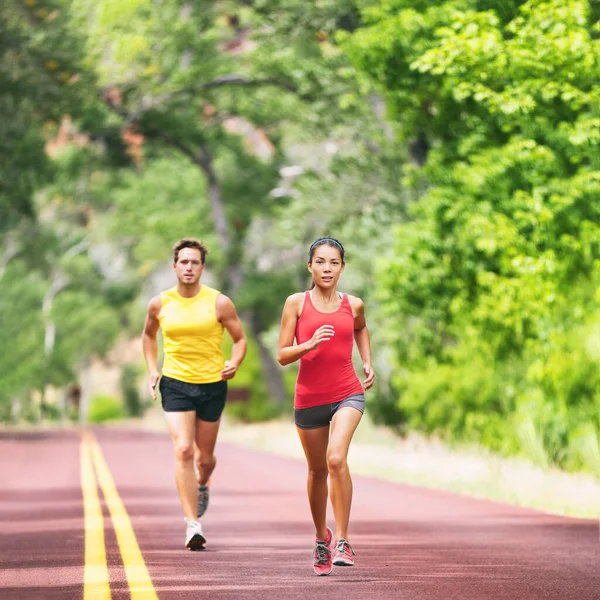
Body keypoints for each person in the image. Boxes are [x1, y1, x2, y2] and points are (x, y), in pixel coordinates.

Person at [277, 236, 375, 576]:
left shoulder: (354, 304)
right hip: (309, 398)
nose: (327, 268)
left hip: (348, 392)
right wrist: (308, 344)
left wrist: (367, 361)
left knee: (336, 459)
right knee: (317, 470)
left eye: (334, 262)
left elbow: (361, 329)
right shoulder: (296, 304)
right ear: (310, 266)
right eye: (320, 262)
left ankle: (344, 540)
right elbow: (282, 355)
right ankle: (322, 537)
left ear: (343, 267)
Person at [142, 238, 247, 550]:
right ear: (174, 266)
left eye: (195, 262)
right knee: (184, 450)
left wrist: (235, 362)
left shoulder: (219, 303)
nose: (189, 267)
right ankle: (192, 524)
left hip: (213, 384)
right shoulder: (160, 303)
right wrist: (151, 369)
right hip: (175, 383)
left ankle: (202, 483)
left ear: (202, 267)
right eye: (183, 262)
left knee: (205, 458)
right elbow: (148, 336)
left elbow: (240, 339)